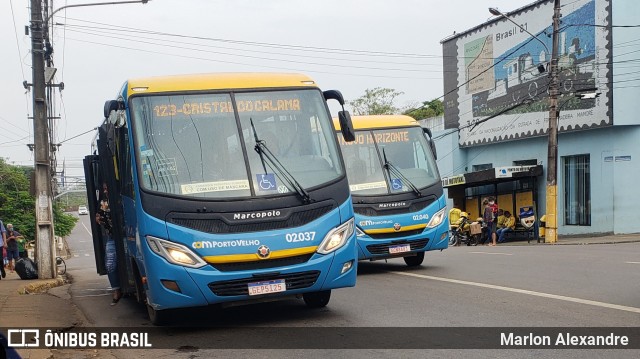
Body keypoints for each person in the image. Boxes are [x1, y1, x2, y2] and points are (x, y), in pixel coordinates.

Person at [95, 182, 121, 305]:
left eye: (107, 189)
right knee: (110, 264)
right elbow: (98, 218)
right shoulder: (104, 203)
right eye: (104, 189)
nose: (105, 191)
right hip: (112, 237)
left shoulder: (122, 199)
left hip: (127, 235)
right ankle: (116, 290)